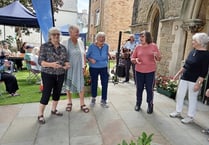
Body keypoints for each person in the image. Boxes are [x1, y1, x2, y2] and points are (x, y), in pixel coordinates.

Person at [169, 32, 209, 123]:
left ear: (200, 42)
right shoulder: (192, 51)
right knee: (180, 95)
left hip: (195, 80)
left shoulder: (206, 55)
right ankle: (178, 111)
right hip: (185, 77)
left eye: (194, 40)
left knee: (192, 98)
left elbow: (204, 72)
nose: (192, 42)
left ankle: (190, 116)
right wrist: (177, 74)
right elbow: (186, 65)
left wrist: (198, 84)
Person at [37, 27, 70, 124]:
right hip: (48, 74)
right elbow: (40, 61)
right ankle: (40, 114)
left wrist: (66, 65)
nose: (56, 36)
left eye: (58, 34)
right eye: (54, 34)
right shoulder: (44, 46)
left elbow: (65, 60)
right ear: (50, 36)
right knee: (46, 93)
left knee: (57, 92)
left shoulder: (63, 48)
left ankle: (54, 109)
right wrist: (51, 65)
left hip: (60, 74)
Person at [131, 31, 161, 114]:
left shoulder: (153, 46)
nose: (140, 38)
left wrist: (157, 56)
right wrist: (136, 60)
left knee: (149, 89)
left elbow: (159, 58)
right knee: (139, 88)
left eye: (142, 36)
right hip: (139, 71)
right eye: (140, 36)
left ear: (147, 37)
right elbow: (132, 58)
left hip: (150, 72)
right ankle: (138, 103)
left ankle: (150, 104)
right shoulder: (138, 47)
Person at [62, 25, 89, 113]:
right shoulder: (65, 42)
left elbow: (83, 54)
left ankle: (82, 104)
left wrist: (84, 66)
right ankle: (69, 102)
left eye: (78, 31)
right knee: (68, 84)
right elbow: (61, 55)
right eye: (76, 32)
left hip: (79, 68)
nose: (78, 33)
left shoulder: (80, 41)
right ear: (70, 33)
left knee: (81, 85)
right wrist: (64, 64)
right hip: (69, 68)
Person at [86, 32, 111, 108]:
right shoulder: (91, 46)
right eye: (100, 38)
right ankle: (93, 98)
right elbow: (87, 56)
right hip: (94, 67)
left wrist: (109, 55)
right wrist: (90, 59)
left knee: (105, 83)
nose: (102, 39)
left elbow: (106, 53)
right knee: (94, 83)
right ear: (96, 39)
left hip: (103, 67)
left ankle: (103, 100)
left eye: (103, 38)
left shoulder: (106, 46)